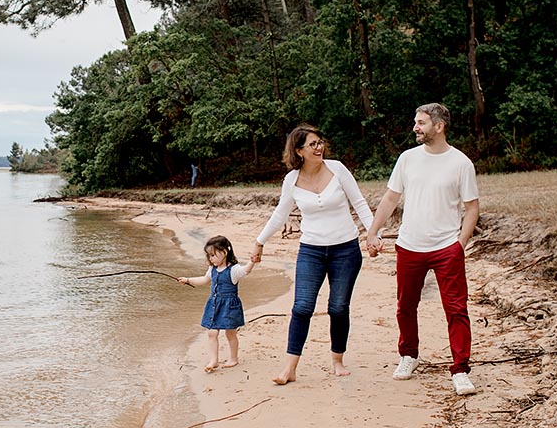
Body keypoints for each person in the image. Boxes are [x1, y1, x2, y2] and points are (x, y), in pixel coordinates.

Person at [365, 103, 480, 396]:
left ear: (438, 127)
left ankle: (460, 369)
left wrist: (460, 244)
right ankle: (409, 355)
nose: (415, 127)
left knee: (456, 309)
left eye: (421, 123)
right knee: (405, 306)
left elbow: (472, 208)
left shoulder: (461, 163)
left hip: (446, 247)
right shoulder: (407, 159)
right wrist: (372, 230)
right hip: (409, 245)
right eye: (415, 122)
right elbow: (391, 199)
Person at [252, 125, 374, 383]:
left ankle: (337, 360)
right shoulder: (292, 180)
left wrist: (373, 234)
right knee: (302, 307)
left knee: (338, 307)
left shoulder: (338, 169)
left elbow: (360, 203)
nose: (319, 147)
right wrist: (259, 241)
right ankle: (290, 368)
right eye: (313, 144)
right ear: (299, 151)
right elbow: (280, 215)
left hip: (346, 249)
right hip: (311, 251)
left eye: (320, 142)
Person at [179, 235, 257, 372]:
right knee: (212, 333)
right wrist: (188, 280)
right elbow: (204, 280)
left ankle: (233, 358)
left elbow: (246, 271)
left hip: (229, 306)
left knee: (230, 333)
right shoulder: (212, 269)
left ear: (224, 252)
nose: (211, 259)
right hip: (214, 304)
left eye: (213, 255)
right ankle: (213, 360)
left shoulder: (233, 270)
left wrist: (252, 262)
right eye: (209, 256)